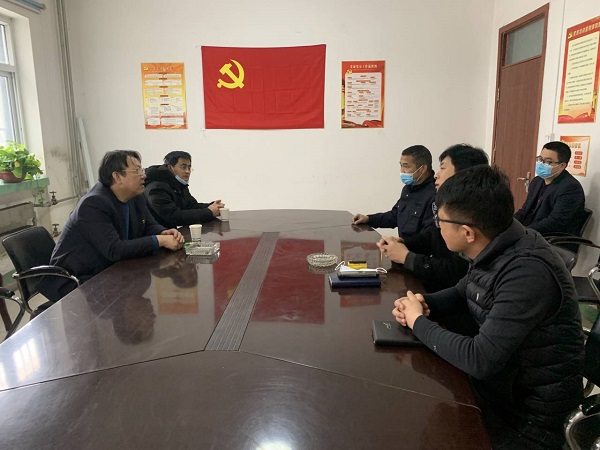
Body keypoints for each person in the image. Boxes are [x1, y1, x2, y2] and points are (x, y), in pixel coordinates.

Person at [392, 165, 584, 450]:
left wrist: (418, 322)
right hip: (500, 389)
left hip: (528, 418)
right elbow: (463, 291)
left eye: (440, 220)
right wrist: (422, 303)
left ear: (467, 232)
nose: (437, 227)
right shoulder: (498, 242)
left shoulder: (526, 271)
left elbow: (479, 359)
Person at [40, 150, 184, 302]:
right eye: (137, 171)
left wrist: (165, 232)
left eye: (142, 170)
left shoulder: (135, 196)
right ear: (117, 176)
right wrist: (160, 240)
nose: (144, 175)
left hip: (113, 270)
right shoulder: (93, 204)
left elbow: (149, 225)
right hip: (79, 280)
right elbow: (114, 250)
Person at [378, 144, 488, 292]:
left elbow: (455, 271)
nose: (436, 175)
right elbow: (432, 236)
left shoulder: (473, 214)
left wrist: (406, 257)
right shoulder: (448, 203)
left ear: (462, 174)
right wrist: (403, 243)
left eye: (442, 168)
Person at [352, 145, 436, 238]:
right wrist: (369, 219)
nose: (402, 171)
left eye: (406, 166)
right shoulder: (408, 189)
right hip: (402, 245)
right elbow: (395, 216)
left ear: (422, 169)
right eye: (401, 166)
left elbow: (429, 235)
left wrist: (401, 243)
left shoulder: (434, 193)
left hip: (415, 247)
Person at [514, 141, 586, 235]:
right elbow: (525, 210)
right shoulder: (537, 181)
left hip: (551, 237)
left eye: (548, 162)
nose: (541, 164)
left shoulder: (571, 188)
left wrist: (524, 231)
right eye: (540, 159)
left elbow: (554, 222)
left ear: (562, 166)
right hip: (531, 231)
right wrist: (509, 224)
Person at [145, 150, 224, 228]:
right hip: (159, 233)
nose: (187, 171)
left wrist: (212, 206)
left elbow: (191, 206)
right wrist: (209, 212)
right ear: (170, 168)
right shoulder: (156, 189)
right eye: (183, 167)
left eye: (189, 167)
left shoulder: (179, 183)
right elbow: (174, 216)